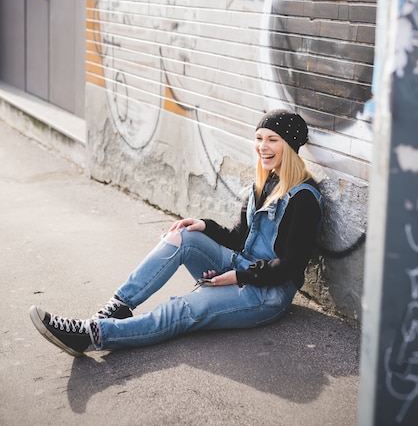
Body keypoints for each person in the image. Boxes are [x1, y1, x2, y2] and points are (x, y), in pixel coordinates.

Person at [29, 109, 323, 357]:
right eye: (259, 139)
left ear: (291, 146)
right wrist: (204, 225)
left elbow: (290, 267)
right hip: (240, 266)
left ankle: (93, 335)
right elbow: (237, 237)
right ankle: (117, 307)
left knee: (183, 310)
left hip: (266, 294)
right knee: (184, 237)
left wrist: (239, 277)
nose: (262, 147)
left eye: (273, 140)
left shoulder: (304, 198)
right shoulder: (263, 184)